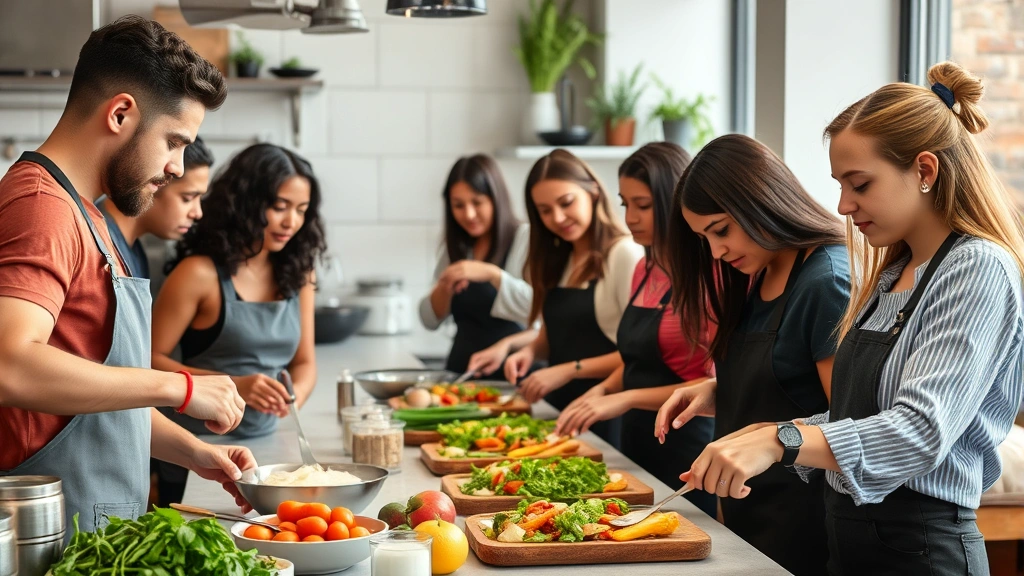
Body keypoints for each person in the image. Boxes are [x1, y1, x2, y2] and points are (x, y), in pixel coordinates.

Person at [679, 62, 1024, 576]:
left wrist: (781, 441)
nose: (843, 205)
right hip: (853, 540)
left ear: (925, 171)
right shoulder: (891, 275)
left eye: (859, 184)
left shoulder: (977, 267)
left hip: (923, 548)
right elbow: (854, 414)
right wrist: (769, 430)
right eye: (840, 184)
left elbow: (919, 432)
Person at [0, 16, 251, 536]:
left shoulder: (86, 214)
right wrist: (179, 388)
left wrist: (191, 451)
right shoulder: (40, 206)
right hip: (52, 533)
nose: (179, 167)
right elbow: (9, 364)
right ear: (120, 114)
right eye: (174, 141)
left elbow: (92, 402)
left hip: (93, 527)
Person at [654, 134, 850, 574]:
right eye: (704, 238)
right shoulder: (755, 275)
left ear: (761, 201)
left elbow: (850, 424)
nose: (716, 251)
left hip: (806, 529)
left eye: (721, 230)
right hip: (747, 521)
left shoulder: (826, 282)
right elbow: (788, 381)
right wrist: (722, 389)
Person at [151, 143, 326, 505]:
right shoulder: (198, 274)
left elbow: (304, 363)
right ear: (246, 202)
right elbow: (149, 361)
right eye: (279, 207)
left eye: (301, 210)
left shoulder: (299, 273)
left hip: (265, 443)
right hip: (195, 450)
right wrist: (236, 386)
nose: (291, 222)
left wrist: (292, 400)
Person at [555, 142, 716, 517]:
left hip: (686, 439)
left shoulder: (711, 274)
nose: (630, 217)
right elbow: (635, 357)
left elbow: (710, 381)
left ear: (675, 202)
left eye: (643, 205)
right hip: (636, 435)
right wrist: (603, 388)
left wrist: (625, 398)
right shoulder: (644, 270)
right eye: (625, 204)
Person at [495, 149, 644, 448]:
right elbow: (553, 338)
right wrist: (530, 352)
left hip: (605, 411)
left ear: (592, 191)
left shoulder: (623, 254)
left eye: (566, 203)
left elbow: (640, 354)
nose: (558, 218)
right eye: (545, 211)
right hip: (559, 411)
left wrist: (565, 371)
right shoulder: (557, 258)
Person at [418, 154, 532, 377]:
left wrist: (492, 274)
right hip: (461, 372)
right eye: (458, 205)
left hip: (513, 376)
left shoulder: (524, 238)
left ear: (496, 199)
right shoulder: (456, 247)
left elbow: (537, 312)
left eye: (477, 203)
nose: (468, 214)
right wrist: (443, 289)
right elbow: (428, 320)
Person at [98, 136, 213, 279]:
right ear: (157, 181)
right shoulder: (97, 244)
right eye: (187, 198)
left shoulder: (134, 250)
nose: (197, 213)